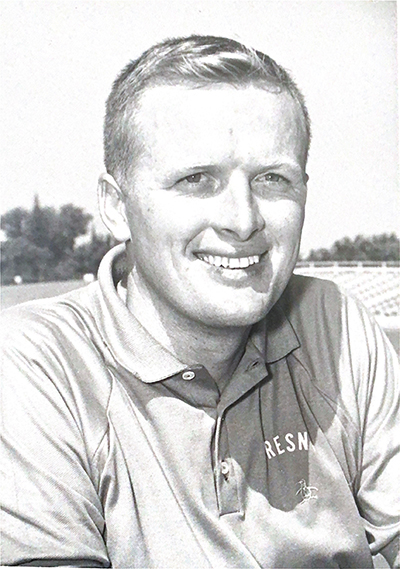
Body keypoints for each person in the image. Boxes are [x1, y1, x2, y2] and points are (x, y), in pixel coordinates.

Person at [1, 35, 398, 569]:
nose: (243, 220)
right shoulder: (38, 364)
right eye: (196, 180)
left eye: (272, 179)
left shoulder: (335, 324)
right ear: (116, 207)